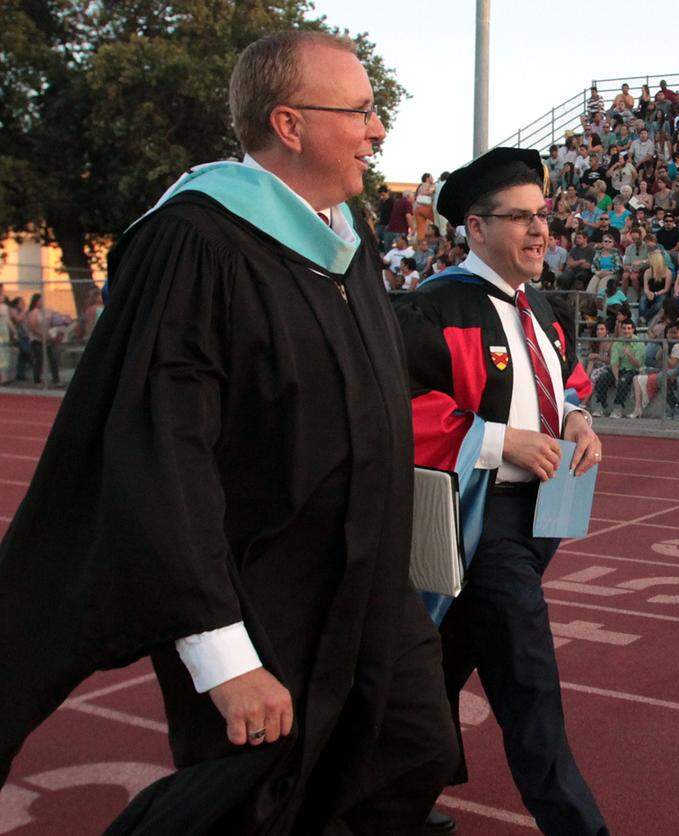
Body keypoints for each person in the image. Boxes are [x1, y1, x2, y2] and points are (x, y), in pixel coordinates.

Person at [0, 30, 460, 833]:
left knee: (408, 754)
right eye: (359, 111)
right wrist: (225, 658)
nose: (379, 130)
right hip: (262, 597)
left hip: (369, 587)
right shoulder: (195, 243)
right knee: (251, 804)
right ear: (289, 124)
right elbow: (158, 456)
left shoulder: (346, 239)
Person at [396, 146, 608, 836]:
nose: (540, 231)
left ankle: (393, 797)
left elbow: (567, 381)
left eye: (542, 216)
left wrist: (578, 419)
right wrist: (496, 439)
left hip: (539, 515)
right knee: (528, 682)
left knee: (439, 664)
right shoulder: (433, 307)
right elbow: (396, 407)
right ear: (476, 228)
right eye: (520, 218)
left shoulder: (541, 307)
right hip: (474, 519)